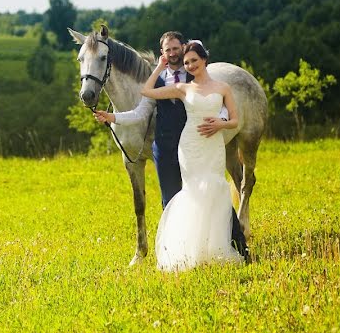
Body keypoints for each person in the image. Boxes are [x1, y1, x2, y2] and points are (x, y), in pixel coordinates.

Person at [94, 32, 249, 265]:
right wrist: (112, 117)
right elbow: (140, 112)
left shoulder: (193, 72)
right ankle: (176, 254)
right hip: (167, 148)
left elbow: (216, 100)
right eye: (168, 50)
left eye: (176, 48)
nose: (174, 53)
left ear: (183, 48)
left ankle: (237, 247)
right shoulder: (158, 80)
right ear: (162, 54)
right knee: (171, 201)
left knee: (213, 191)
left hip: (199, 144)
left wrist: (222, 120)